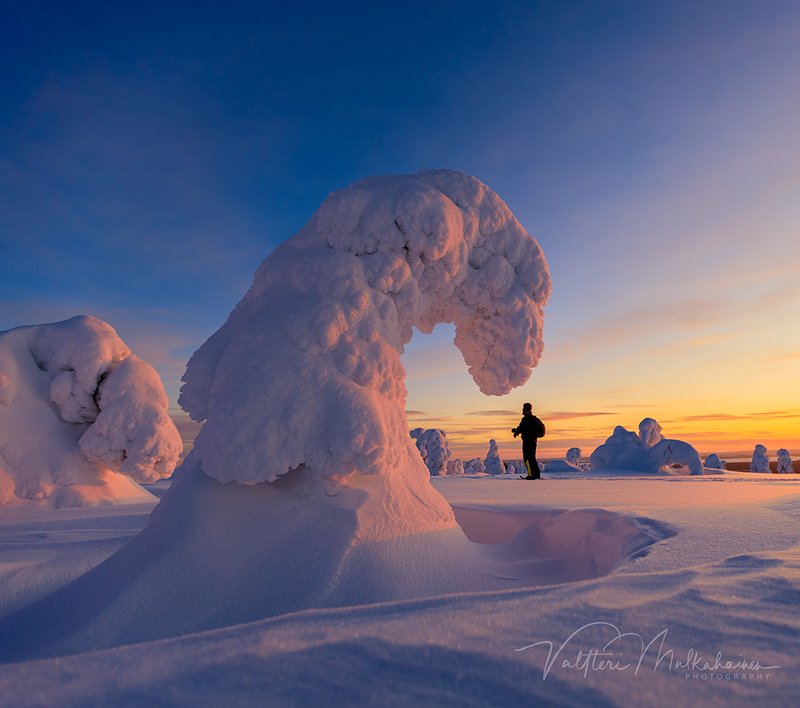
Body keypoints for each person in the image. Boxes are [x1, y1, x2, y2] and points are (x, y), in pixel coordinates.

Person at [511, 402, 545, 479]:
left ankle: (532, 475)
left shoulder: (532, 419)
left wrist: (532, 435)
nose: (522, 410)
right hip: (527, 441)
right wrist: (516, 431)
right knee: (530, 458)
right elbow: (522, 428)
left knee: (529, 458)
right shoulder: (525, 419)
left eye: (523, 408)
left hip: (530, 442)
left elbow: (541, 430)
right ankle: (535, 475)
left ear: (526, 409)